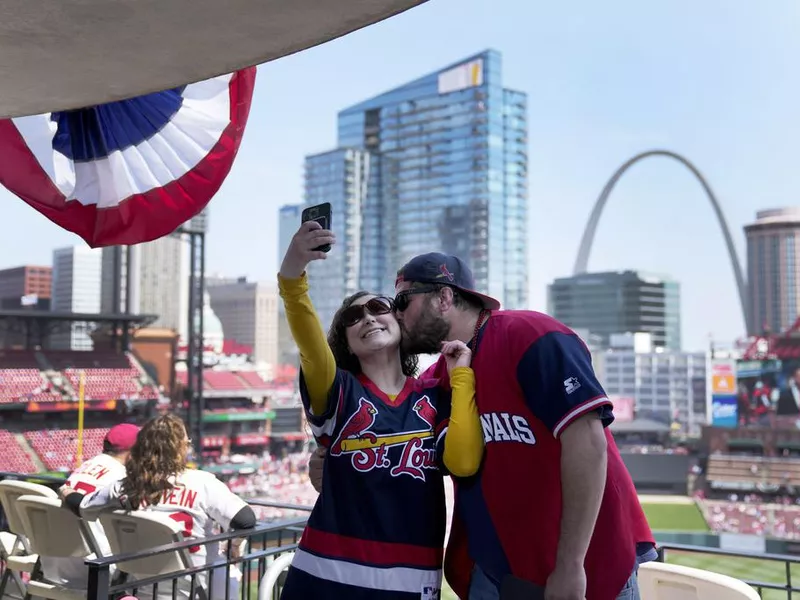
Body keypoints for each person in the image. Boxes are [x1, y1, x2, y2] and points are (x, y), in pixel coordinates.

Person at [393, 252, 655, 600]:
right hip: (499, 572)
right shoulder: (439, 378)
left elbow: (588, 443)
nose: (396, 314)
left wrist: (569, 566)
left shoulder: (531, 335)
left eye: (402, 301)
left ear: (443, 298)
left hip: (590, 566)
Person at [277, 221, 484, 600]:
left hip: (411, 582)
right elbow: (309, 344)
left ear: (400, 322)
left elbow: (466, 462)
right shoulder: (337, 391)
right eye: (353, 318)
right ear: (346, 345)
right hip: (325, 579)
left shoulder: (434, 396)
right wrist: (292, 276)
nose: (368, 318)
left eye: (378, 307)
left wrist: (462, 379)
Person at [73, 415, 256, 599]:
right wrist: (235, 544)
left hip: (141, 588)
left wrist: (65, 492)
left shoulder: (123, 486)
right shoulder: (202, 482)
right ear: (180, 448)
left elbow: (83, 507)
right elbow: (246, 520)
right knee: (228, 571)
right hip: (194, 588)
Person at [42, 423, 139, 590]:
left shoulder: (86, 465)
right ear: (132, 453)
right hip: (94, 569)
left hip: (54, 566)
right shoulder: (122, 477)